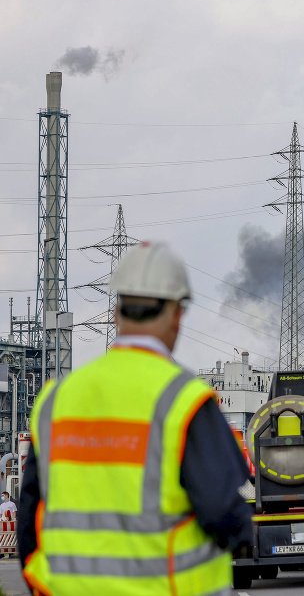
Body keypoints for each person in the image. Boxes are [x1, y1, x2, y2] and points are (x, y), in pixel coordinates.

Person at [17, 242, 253, 595]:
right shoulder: (184, 400)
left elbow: (28, 521)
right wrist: (245, 537)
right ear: (176, 314)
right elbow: (222, 512)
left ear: (116, 311)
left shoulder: (56, 400)